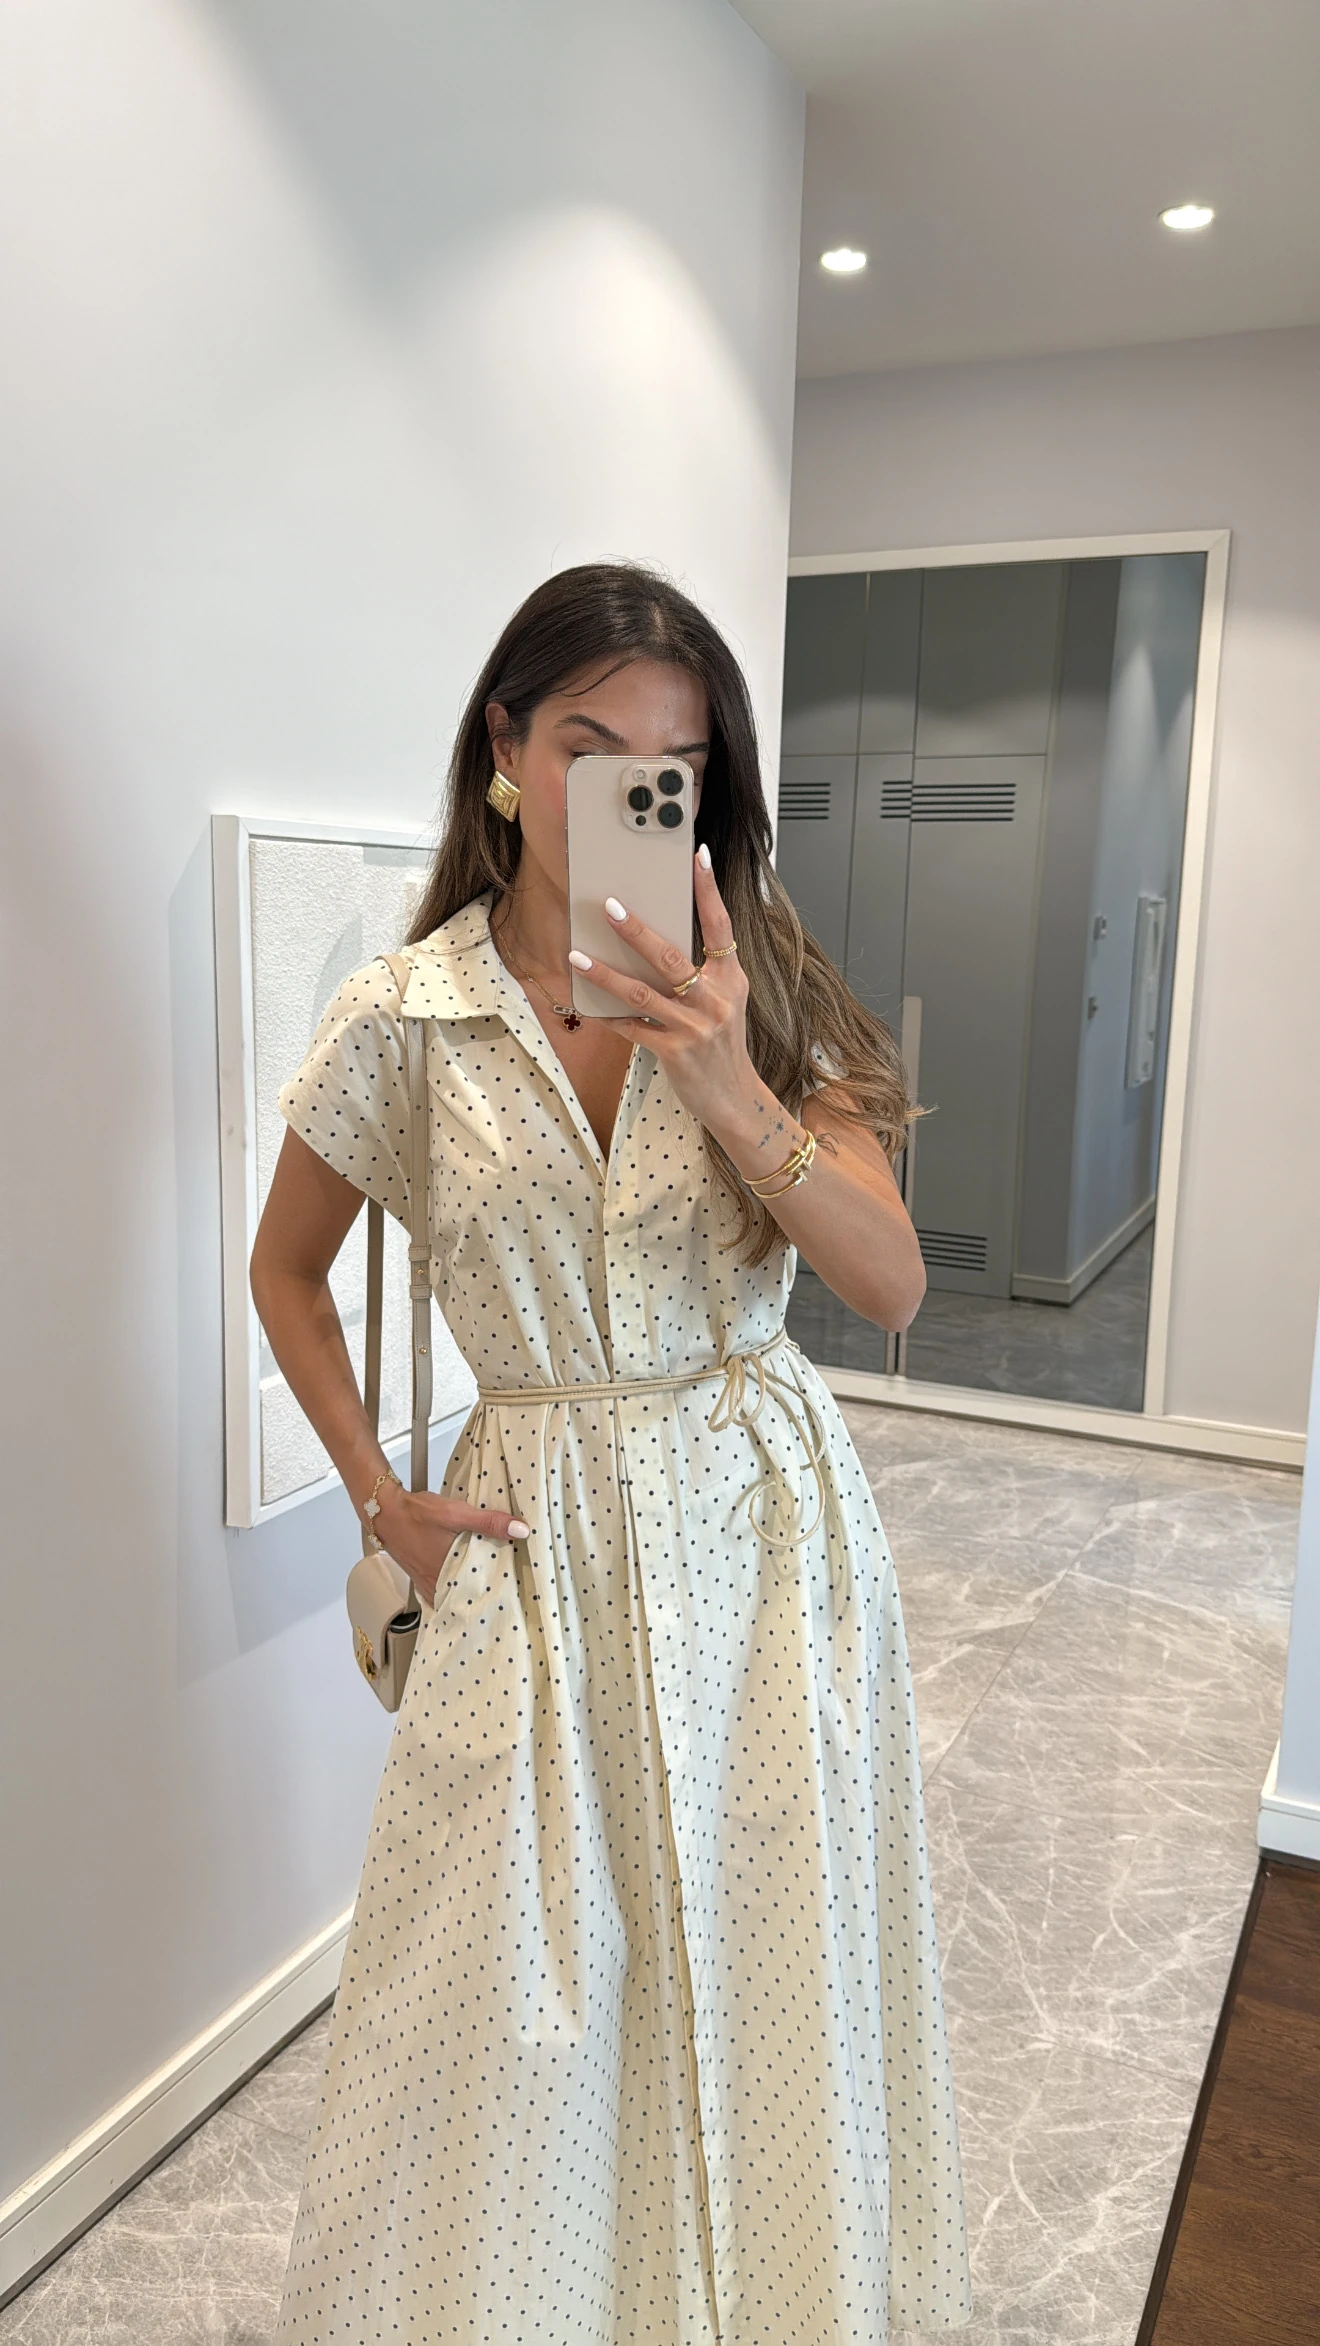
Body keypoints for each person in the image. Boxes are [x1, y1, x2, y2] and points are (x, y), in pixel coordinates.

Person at [251, 562, 972, 2344]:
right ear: (507, 750)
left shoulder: (761, 984)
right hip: (530, 1548)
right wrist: (380, 1497)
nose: (633, 790)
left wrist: (729, 1084)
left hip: (760, 1533)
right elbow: (287, 1271)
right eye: (589, 745)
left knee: (768, 1954)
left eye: (676, 762)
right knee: (510, 1990)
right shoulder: (404, 1017)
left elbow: (890, 1285)